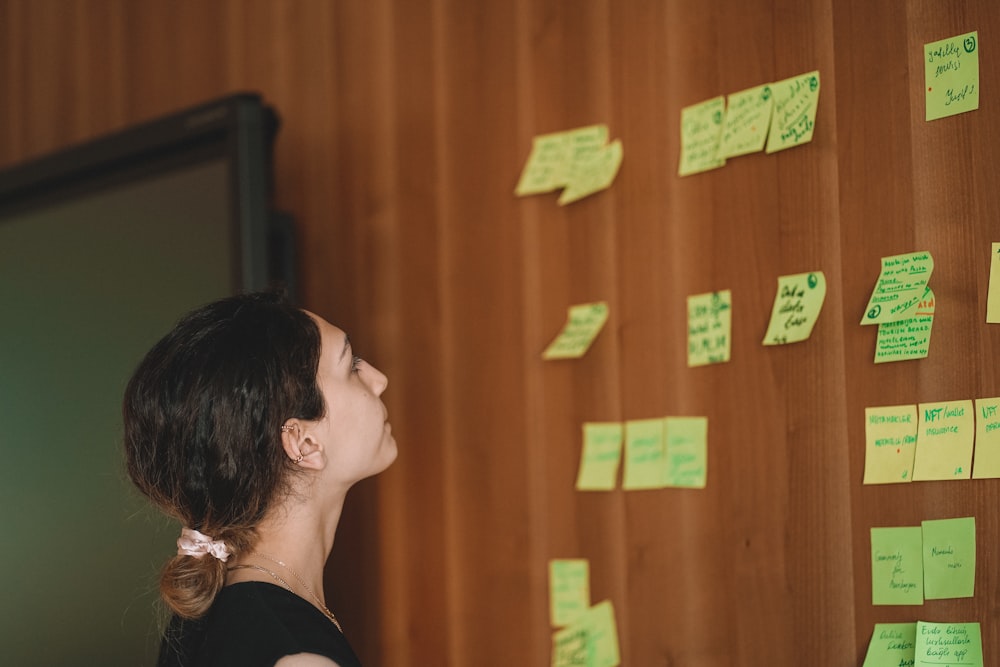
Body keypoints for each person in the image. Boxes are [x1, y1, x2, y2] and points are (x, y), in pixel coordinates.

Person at [123, 291, 397, 667]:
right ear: (304, 442)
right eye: (351, 366)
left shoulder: (205, 615)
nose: (379, 380)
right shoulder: (297, 656)